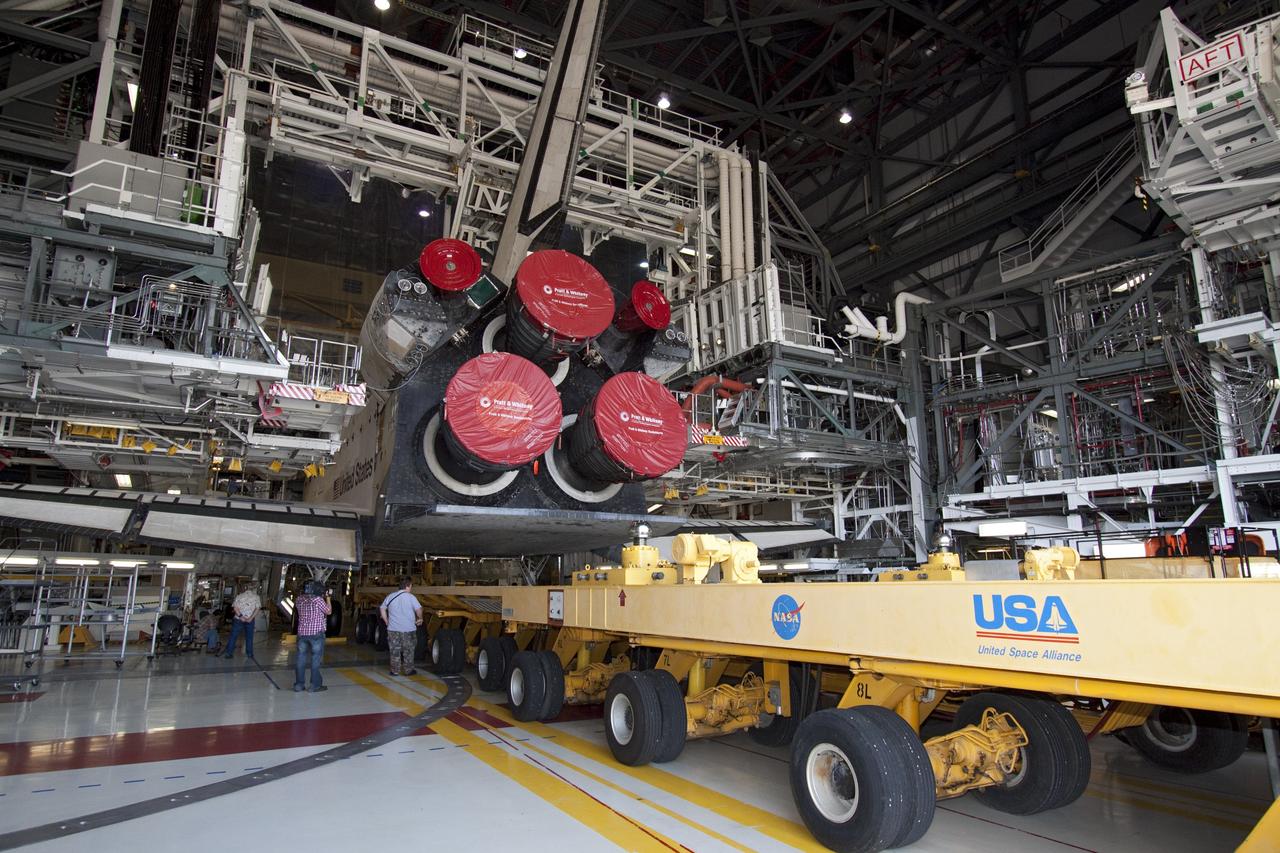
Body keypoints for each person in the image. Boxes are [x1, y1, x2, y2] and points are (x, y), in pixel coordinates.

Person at [379, 576, 422, 677]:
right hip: (408, 630)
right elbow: (418, 609)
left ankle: (395, 671)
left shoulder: (390, 596)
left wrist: (386, 621)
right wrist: (420, 618)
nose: (411, 588)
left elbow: (382, 608)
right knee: (409, 651)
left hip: (393, 630)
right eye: (411, 586)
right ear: (407, 586)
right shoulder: (411, 597)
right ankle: (408, 670)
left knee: (394, 651)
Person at [293, 583, 332, 693]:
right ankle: (314, 685)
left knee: (300, 659)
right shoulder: (318, 600)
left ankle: (299, 685)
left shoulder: (299, 600)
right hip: (316, 634)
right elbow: (328, 611)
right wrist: (328, 598)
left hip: (302, 634)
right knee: (315, 660)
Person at [223, 582, 261, 659]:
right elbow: (257, 609)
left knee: (233, 636)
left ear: (245, 588)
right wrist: (250, 618)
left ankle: (229, 653)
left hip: (238, 619)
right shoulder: (256, 597)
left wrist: (241, 617)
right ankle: (249, 654)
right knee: (249, 637)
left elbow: (235, 608)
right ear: (253, 589)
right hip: (250, 620)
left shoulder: (239, 596)